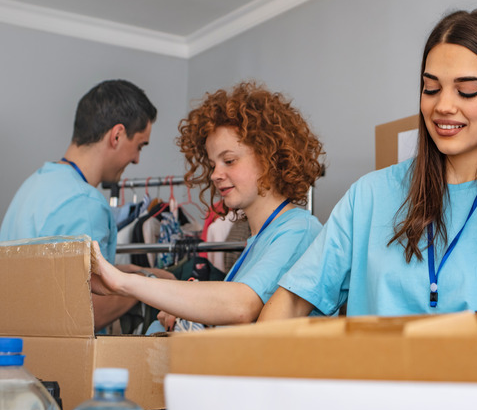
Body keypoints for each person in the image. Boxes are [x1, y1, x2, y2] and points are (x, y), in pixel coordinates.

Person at [260, 9, 477, 320]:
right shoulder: (368, 197)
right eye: (431, 88)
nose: (443, 106)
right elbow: (290, 302)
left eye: (467, 92)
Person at [89, 81, 324, 328]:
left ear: (270, 159)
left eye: (229, 161)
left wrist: (123, 282)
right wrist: (189, 309)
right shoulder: (259, 240)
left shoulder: (300, 231)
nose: (215, 174)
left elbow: (241, 306)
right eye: (213, 164)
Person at [0, 79, 162, 331]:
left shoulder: (35, 185)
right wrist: (148, 282)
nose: (137, 159)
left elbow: (46, 281)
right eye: (139, 146)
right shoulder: (84, 203)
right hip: (59, 366)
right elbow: (85, 312)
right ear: (117, 135)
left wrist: (122, 272)